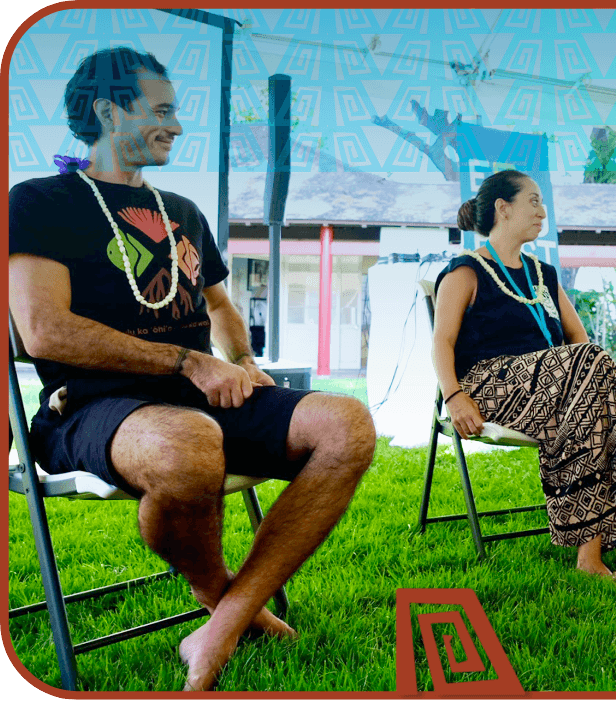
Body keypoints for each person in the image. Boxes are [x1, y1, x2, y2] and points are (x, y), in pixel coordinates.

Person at [8, 48, 376, 691]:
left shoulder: (182, 208)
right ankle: (223, 600)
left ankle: (226, 621)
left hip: (203, 395)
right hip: (94, 404)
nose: (177, 125)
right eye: (162, 109)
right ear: (107, 109)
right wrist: (189, 360)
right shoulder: (40, 202)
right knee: (188, 448)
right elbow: (45, 329)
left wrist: (245, 361)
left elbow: (219, 303)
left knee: (346, 423)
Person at [432, 170, 616, 579]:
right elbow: (442, 342)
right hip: (489, 387)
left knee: (586, 403)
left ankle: (591, 559)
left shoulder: (543, 275)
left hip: (556, 391)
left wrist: (575, 384)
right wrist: (453, 397)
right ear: (503, 208)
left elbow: (577, 338)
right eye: (533, 201)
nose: (542, 210)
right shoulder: (466, 270)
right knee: (587, 371)